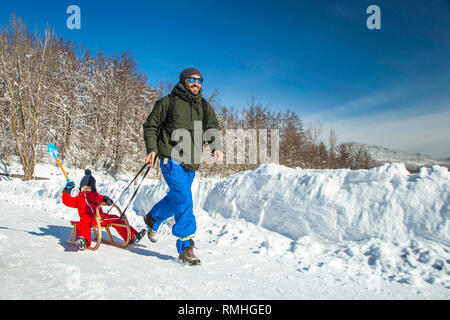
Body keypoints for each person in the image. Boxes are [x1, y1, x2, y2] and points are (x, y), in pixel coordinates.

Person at [143, 67, 223, 265]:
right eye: (192, 79)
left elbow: (212, 126)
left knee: (176, 198)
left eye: (200, 80)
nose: (197, 83)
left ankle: (153, 218)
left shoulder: (203, 106)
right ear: (184, 81)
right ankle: (185, 245)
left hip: (192, 161)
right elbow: (151, 125)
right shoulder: (167, 102)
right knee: (185, 199)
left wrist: (215, 146)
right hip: (170, 158)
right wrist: (152, 149)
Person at [62, 169, 146, 250]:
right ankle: (83, 241)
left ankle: (132, 236)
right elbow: (67, 201)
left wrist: (105, 199)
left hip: (99, 218)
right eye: (83, 187)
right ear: (80, 188)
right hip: (86, 218)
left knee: (116, 218)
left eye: (88, 188)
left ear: (92, 189)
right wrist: (67, 191)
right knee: (83, 222)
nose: (85, 190)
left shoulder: (94, 196)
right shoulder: (78, 198)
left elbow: (99, 198)